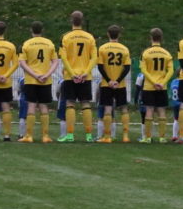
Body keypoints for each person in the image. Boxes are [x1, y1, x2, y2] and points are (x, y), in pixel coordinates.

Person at [58, 11, 97, 143]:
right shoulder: (90, 37)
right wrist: (85, 72)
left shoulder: (66, 37)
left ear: (71, 21)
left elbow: (63, 57)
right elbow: (94, 57)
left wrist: (72, 73)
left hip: (70, 76)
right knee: (85, 103)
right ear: (82, 21)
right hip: (86, 76)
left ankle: (70, 135)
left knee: (70, 103)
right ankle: (88, 136)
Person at [18, 21, 59, 143]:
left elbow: (22, 63)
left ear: (31, 30)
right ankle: (45, 136)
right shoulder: (49, 43)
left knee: (31, 105)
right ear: (42, 30)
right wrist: (46, 75)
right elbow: (55, 62)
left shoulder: (27, 44)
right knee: (43, 106)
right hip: (45, 80)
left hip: (31, 79)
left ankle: (29, 136)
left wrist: (35, 75)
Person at [96, 25, 131, 143]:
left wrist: (109, 80)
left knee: (107, 108)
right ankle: (125, 136)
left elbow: (100, 67)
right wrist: (118, 80)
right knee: (124, 109)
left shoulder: (102, 48)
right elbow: (127, 68)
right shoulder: (124, 49)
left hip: (107, 84)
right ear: (119, 35)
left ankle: (107, 137)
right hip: (120, 84)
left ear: (108, 34)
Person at [139, 28, 174, 144]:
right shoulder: (167, 53)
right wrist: (162, 82)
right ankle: (162, 137)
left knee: (149, 109)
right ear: (161, 38)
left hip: (149, 86)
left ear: (151, 38)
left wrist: (153, 82)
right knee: (161, 110)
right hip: (161, 87)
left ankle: (148, 138)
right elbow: (171, 71)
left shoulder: (146, 53)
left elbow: (143, 70)